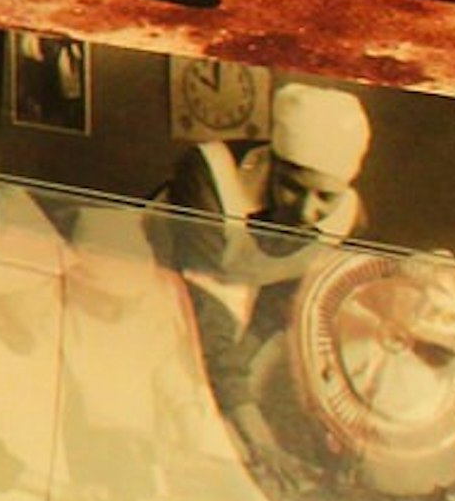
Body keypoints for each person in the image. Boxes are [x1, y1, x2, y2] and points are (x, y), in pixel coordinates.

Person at [150, 81, 373, 362]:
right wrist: (233, 389)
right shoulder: (209, 175)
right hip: (138, 281)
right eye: (291, 187)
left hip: (218, 315)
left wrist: (242, 363)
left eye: (326, 197)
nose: (305, 212)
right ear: (270, 162)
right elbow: (200, 296)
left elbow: (283, 299)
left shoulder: (348, 218)